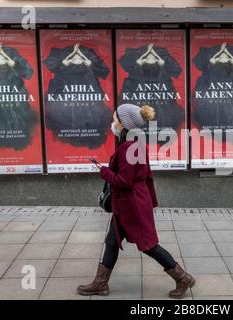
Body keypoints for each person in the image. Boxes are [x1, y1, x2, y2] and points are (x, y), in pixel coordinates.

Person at [77, 103, 195, 299]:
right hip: (130, 203)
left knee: (149, 246)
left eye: (116, 119)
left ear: (125, 124)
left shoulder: (127, 148)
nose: (113, 123)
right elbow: (145, 174)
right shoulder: (137, 143)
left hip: (132, 205)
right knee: (112, 241)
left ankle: (182, 278)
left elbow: (124, 181)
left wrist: (103, 171)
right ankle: (100, 283)